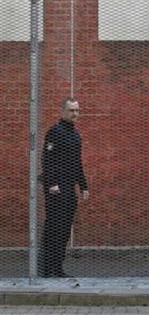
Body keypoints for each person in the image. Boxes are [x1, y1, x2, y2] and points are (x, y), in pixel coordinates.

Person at [39, 97, 90, 278]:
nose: (75, 114)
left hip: (69, 187)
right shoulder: (55, 132)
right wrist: (52, 183)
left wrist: (83, 186)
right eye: (71, 110)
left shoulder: (75, 135)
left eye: (77, 110)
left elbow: (77, 163)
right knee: (54, 227)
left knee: (64, 229)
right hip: (56, 188)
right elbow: (47, 159)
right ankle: (46, 269)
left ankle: (57, 268)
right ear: (63, 111)